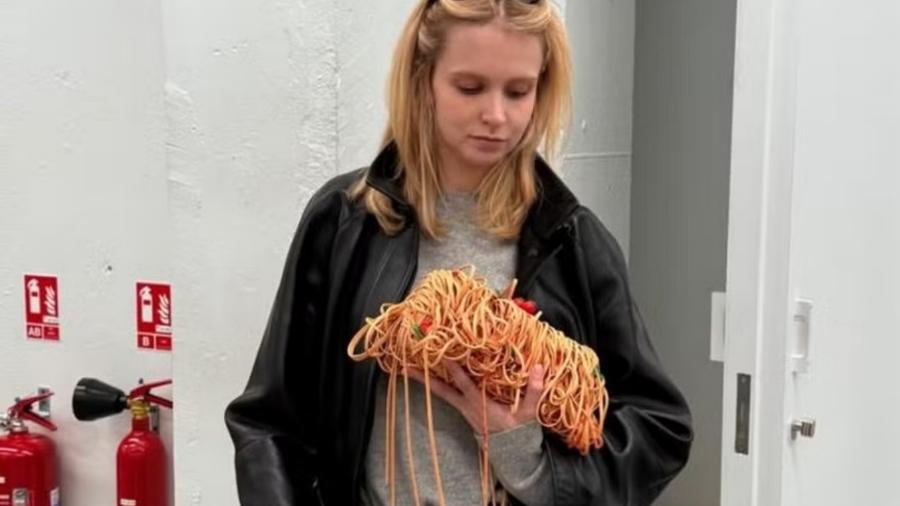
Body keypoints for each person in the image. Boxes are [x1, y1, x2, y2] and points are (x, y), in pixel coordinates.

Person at [224, 0, 693, 505]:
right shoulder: (343, 224)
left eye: (519, 91)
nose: (496, 116)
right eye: (469, 88)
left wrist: (526, 457)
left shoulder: (569, 239)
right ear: (423, 78)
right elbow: (269, 423)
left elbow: (658, 428)